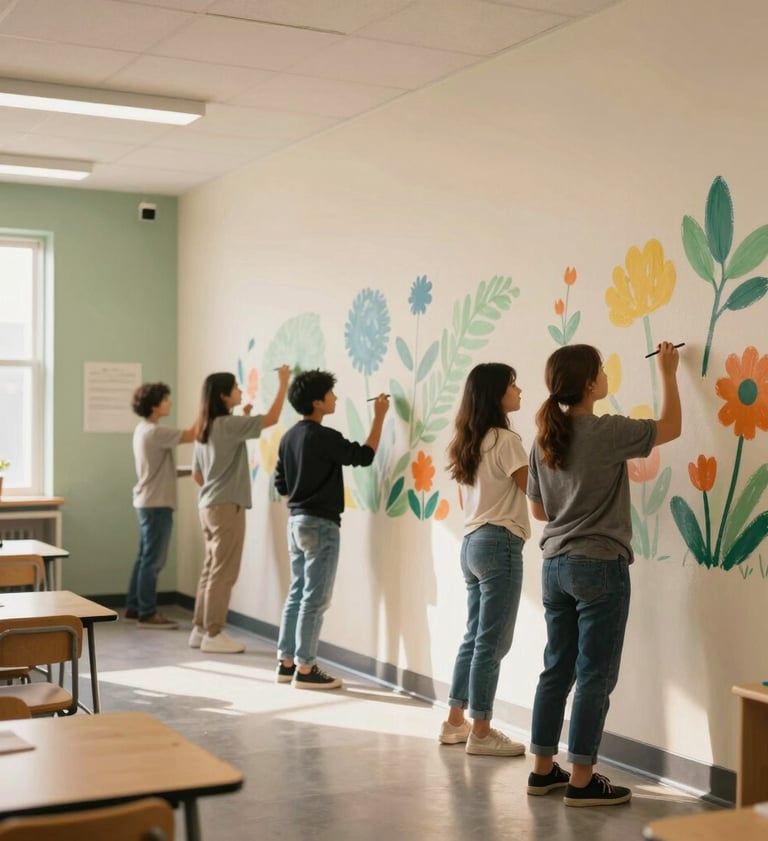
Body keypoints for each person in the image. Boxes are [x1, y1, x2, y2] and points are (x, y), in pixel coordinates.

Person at [526, 342, 681, 806]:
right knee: (594, 674)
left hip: (553, 566)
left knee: (556, 670)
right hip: (599, 565)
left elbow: (538, 510)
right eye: (601, 369)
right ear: (590, 384)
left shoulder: (543, 437)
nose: (605, 374)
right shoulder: (606, 431)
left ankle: (541, 771)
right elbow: (671, 427)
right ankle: (581, 781)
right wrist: (670, 373)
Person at [274, 370, 389, 689]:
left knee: (297, 593)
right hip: (321, 525)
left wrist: (298, 505)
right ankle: (306, 670)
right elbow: (364, 456)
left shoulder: (289, 437)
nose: (335, 398)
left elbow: (280, 482)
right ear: (317, 402)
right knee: (315, 598)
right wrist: (379, 416)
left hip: (295, 522)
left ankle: (286, 663)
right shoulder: (322, 437)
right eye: (331, 394)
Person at [439, 363, 530, 756]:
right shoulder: (507, 440)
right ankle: (481, 732)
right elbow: (536, 491)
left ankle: (455, 723)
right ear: (497, 395)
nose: (519, 389)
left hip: (472, 541)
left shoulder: (469, 441)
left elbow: (467, 499)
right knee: (492, 643)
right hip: (499, 543)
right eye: (513, 384)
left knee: (474, 637)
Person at [190, 366, 291, 654]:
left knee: (210, 571)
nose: (241, 391)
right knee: (224, 573)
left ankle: (199, 629)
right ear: (223, 396)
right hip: (226, 506)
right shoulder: (228, 426)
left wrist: (243, 417)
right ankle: (214, 632)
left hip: (207, 505)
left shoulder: (205, 428)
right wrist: (283, 382)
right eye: (236, 388)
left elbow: (199, 475)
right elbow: (271, 419)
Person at [126, 382, 196, 629]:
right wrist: (208, 408)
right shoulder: (156, 431)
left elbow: (160, 471)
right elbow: (192, 435)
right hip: (156, 505)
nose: (170, 403)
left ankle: (135, 606)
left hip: (147, 501)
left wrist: (192, 470)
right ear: (155, 405)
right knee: (153, 560)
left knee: (144, 557)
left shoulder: (143, 430)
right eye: (166, 399)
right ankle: (147, 612)